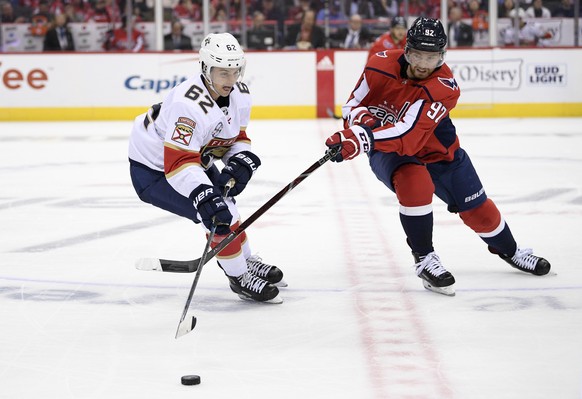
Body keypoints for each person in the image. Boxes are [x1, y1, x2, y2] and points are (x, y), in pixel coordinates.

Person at [323, 17, 551, 296]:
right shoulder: (379, 63)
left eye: (430, 57)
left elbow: (408, 135)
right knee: (415, 183)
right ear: (406, 50)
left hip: (438, 153)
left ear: (441, 57)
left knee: (479, 211)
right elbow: (352, 104)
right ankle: (425, 258)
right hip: (393, 154)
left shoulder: (444, 87)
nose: (422, 63)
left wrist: (363, 137)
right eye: (417, 54)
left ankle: (512, 251)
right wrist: (362, 122)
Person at [128, 33, 286, 303]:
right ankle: (239, 277)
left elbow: (235, 139)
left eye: (235, 71)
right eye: (223, 73)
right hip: (153, 169)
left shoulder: (241, 94)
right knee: (214, 215)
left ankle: (246, 262)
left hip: (194, 155)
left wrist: (240, 159)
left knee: (228, 206)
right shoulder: (187, 104)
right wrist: (202, 193)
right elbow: (177, 163)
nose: (230, 80)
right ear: (205, 68)